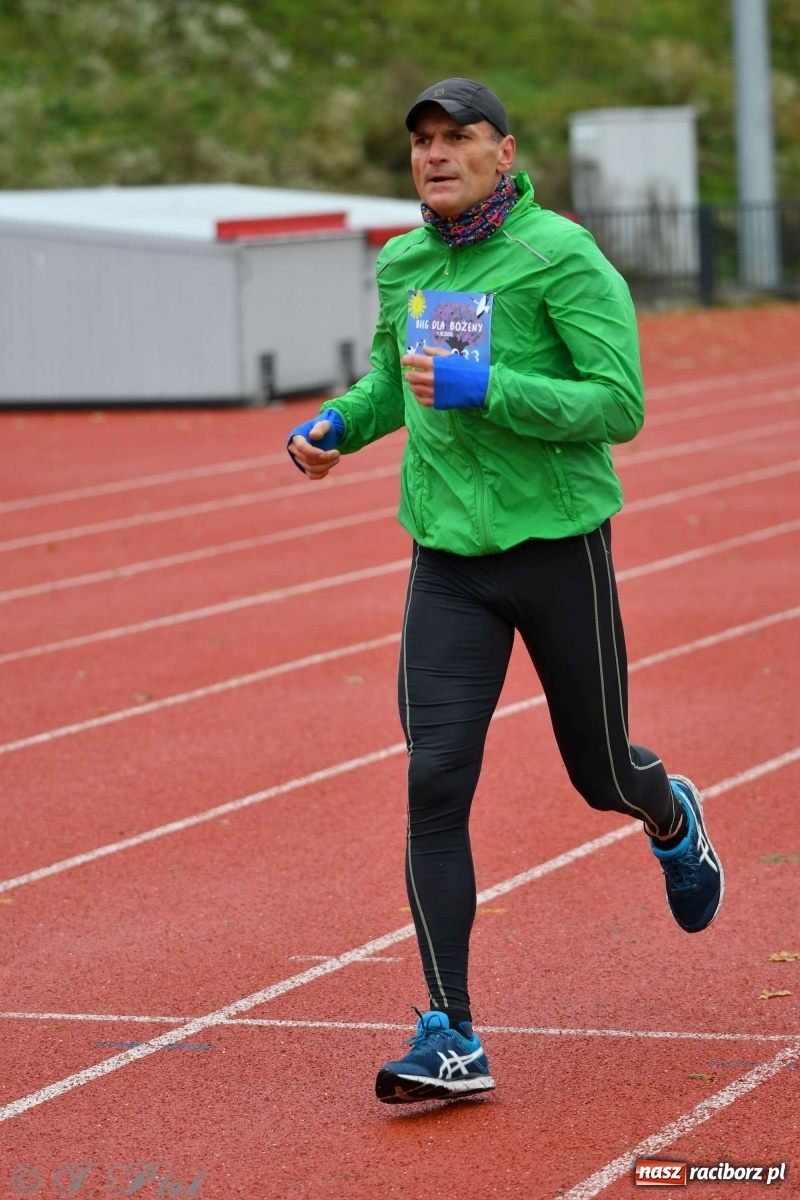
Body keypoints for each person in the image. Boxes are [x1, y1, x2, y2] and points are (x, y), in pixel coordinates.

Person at [288, 77, 724, 1105]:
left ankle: (667, 816)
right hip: (444, 558)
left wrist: (492, 387)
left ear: (503, 151)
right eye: (420, 142)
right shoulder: (403, 261)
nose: (433, 155)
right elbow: (396, 382)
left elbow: (617, 406)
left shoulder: (557, 256)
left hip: (553, 549)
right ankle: (450, 1033)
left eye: (456, 138)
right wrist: (338, 428)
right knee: (433, 781)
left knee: (597, 772)